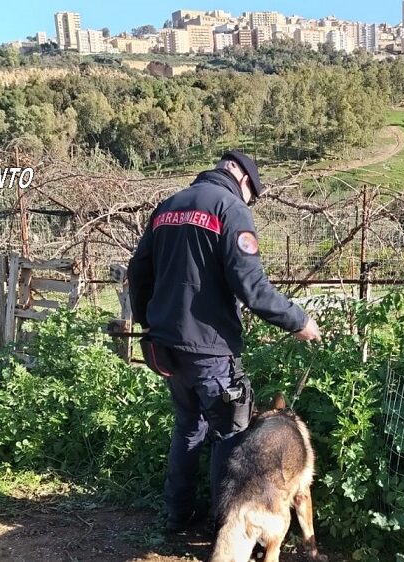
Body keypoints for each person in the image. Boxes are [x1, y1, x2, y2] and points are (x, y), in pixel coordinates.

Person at [126, 150, 321, 533]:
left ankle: (177, 517)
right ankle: (225, 528)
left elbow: (138, 272)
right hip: (210, 348)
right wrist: (299, 321)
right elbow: (252, 287)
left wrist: (149, 323)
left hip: (165, 345)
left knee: (187, 427)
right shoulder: (230, 209)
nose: (250, 202)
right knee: (231, 432)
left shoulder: (169, 205)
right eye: (253, 195)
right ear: (245, 180)